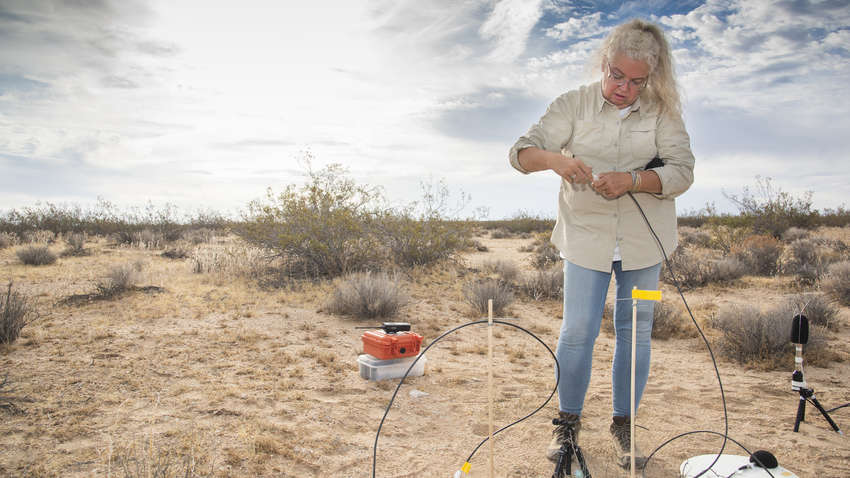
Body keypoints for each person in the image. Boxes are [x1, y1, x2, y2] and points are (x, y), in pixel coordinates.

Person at [508, 19, 695, 470]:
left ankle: (623, 424)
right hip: (585, 242)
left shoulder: (663, 112)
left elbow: (682, 172)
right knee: (577, 333)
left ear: (652, 78)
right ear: (604, 64)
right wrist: (557, 160)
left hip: (645, 247)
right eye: (616, 76)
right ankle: (567, 425)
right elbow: (520, 154)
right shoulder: (572, 104)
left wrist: (634, 180)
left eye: (636, 81)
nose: (623, 88)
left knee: (636, 334)